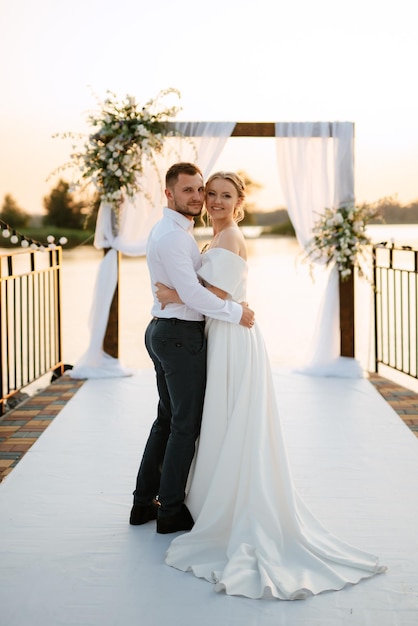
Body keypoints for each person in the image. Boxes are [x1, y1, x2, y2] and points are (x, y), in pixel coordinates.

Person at [156, 171, 386, 600]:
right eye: (212, 194)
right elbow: (219, 298)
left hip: (232, 338)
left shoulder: (228, 238)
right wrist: (210, 298)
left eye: (226, 195)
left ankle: (223, 506)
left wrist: (173, 295)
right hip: (224, 332)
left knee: (230, 416)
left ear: (239, 202)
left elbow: (214, 294)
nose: (217, 201)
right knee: (223, 416)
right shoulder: (220, 236)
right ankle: (203, 497)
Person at [129, 162, 255, 535]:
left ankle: (142, 504)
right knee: (183, 427)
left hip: (171, 332)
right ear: (169, 193)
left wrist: (177, 293)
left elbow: (194, 289)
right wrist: (235, 311)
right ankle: (168, 511)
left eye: (203, 190)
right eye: (192, 190)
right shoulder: (173, 236)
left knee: (167, 422)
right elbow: (199, 293)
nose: (201, 198)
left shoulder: (183, 233)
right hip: (178, 336)